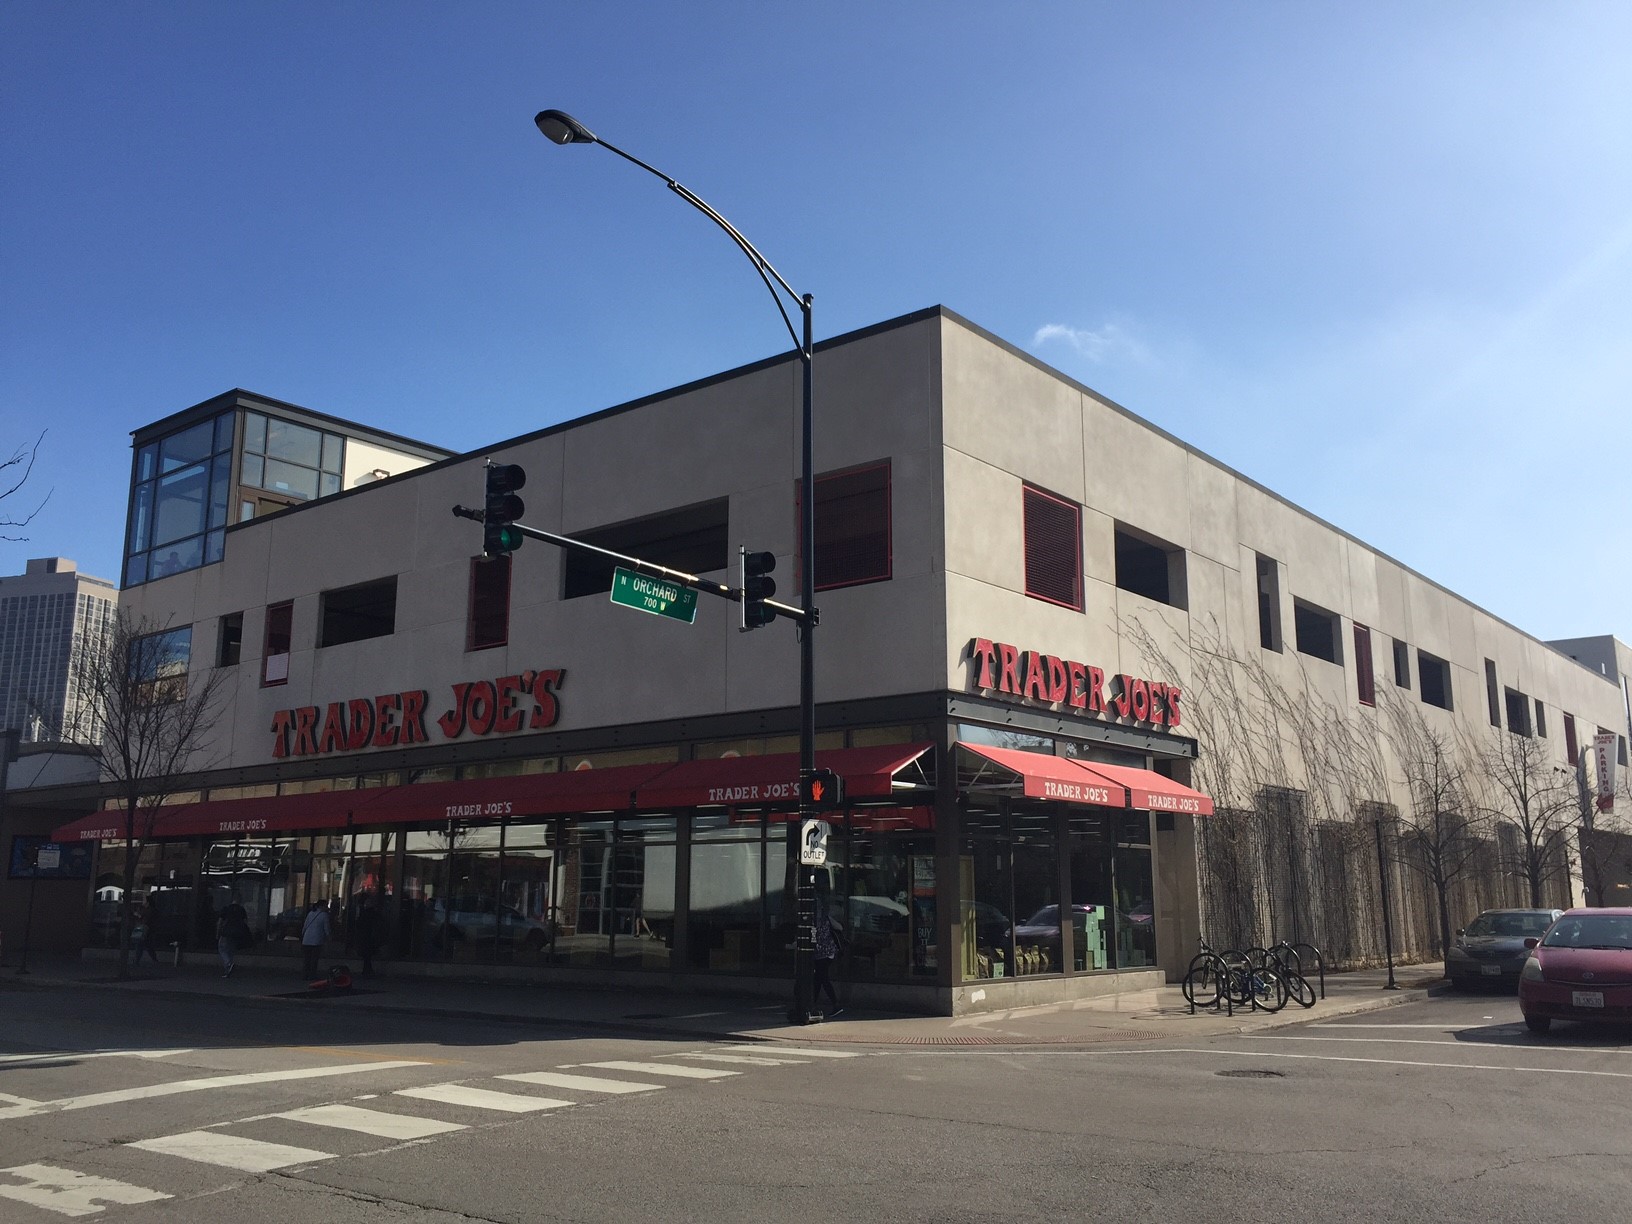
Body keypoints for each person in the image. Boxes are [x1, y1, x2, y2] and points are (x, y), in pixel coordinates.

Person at [811, 907, 845, 1017]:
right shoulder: (826, 918)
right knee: (819, 979)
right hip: (829, 952)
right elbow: (840, 927)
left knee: (822, 979)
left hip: (820, 954)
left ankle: (835, 1004)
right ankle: (812, 1004)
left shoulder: (811, 921)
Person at [216, 895, 249, 978]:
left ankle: (228, 964)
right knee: (231, 951)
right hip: (237, 934)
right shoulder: (241, 910)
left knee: (222, 949)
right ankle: (228, 971)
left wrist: (217, 933)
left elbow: (219, 922)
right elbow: (245, 922)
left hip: (226, 933)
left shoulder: (226, 909)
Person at [353, 893, 382, 976]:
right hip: (370, 937)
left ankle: (367, 970)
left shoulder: (364, 914)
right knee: (368, 955)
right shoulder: (375, 915)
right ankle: (367, 970)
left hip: (365, 937)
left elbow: (358, 924)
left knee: (366, 956)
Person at [301, 901, 332, 978]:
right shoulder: (324, 915)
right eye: (325, 906)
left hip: (306, 939)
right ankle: (312, 974)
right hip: (317, 940)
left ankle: (305, 974)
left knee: (307, 959)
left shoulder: (310, 913)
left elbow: (305, 926)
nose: (327, 908)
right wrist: (329, 938)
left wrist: (303, 935)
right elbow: (326, 929)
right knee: (314, 959)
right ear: (321, 906)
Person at [133, 894, 162, 967]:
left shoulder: (150, 910)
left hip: (147, 930)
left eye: (144, 900)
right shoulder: (144, 909)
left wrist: (139, 916)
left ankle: (137, 961)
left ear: (148, 902)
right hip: (146, 930)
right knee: (147, 946)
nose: (143, 901)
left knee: (141, 945)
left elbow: (146, 920)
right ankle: (154, 960)